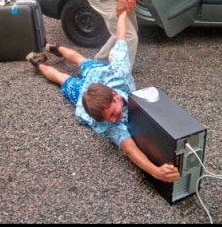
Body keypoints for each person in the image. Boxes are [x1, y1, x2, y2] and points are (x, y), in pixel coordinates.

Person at [25, 10, 180, 184]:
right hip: (85, 90)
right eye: (112, 117)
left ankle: (51, 47)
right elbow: (130, 149)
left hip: (98, 75)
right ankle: (37, 63)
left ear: (114, 95)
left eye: (114, 113)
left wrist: (123, 13)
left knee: (80, 60)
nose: (116, 119)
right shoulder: (105, 122)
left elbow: (121, 38)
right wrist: (156, 172)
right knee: (63, 79)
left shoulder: (118, 73)